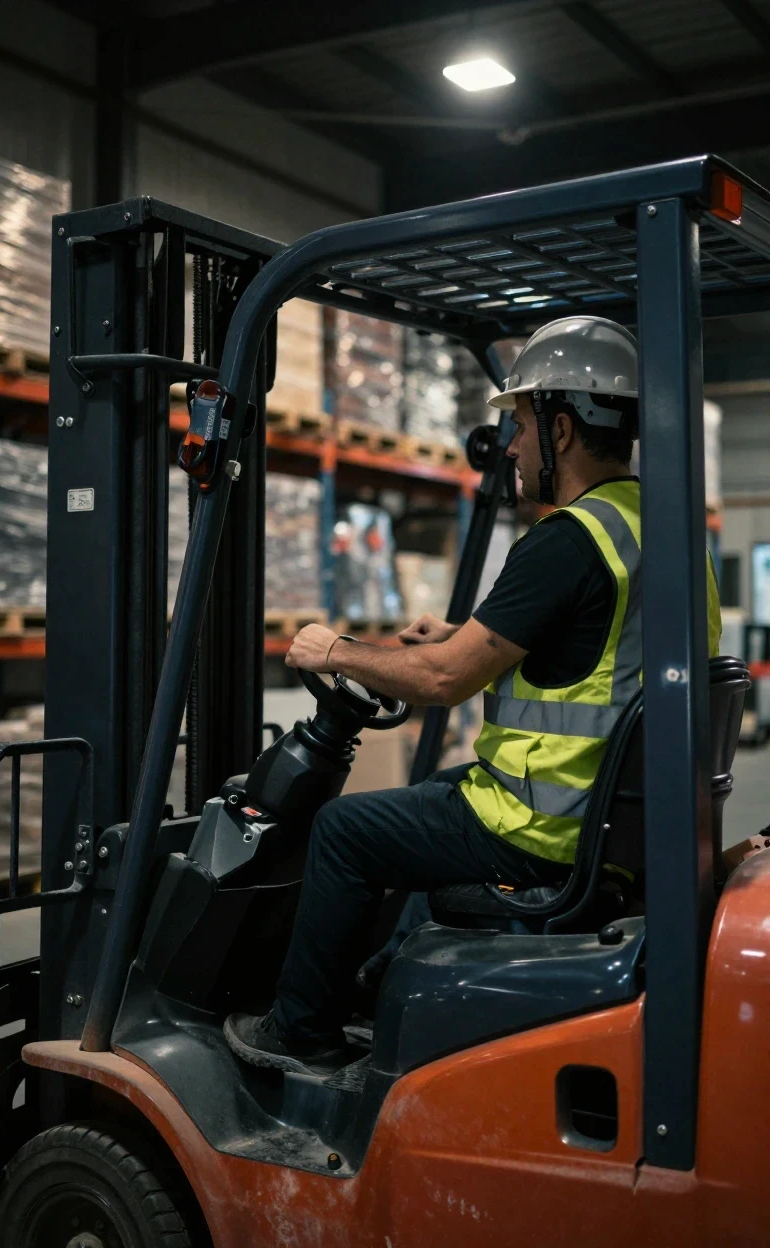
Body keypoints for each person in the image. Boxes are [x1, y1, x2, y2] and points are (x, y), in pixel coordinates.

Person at [224, 315, 722, 1074]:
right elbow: (603, 648)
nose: (513, 448)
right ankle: (379, 983)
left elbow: (442, 680)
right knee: (435, 793)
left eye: (520, 426)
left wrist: (337, 652)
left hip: (546, 824)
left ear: (560, 430)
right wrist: (465, 635)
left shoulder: (567, 540)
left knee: (345, 830)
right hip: (610, 811)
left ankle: (300, 1031)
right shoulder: (664, 533)